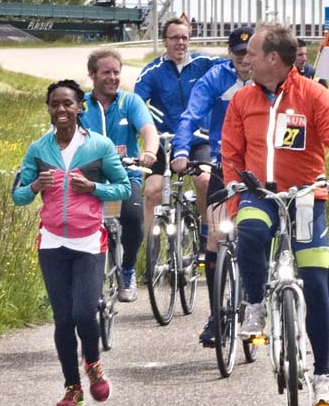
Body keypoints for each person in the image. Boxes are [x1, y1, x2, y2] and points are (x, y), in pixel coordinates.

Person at [221, 24, 329, 406]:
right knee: (249, 230)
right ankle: (253, 305)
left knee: (316, 284)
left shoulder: (313, 95)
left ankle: (323, 375)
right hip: (258, 194)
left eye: (251, 52)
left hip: (304, 198)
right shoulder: (241, 100)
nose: (244, 59)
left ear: (273, 59)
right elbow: (231, 154)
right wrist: (234, 196)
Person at [12, 80, 131, 406]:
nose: (61, 110)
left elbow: (122, 187)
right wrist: (36, 184)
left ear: (81, 108)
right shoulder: (38, 149)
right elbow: (18, 196)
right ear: (49, 109)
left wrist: (93, 187)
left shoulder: (100, 146)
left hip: (89, 242)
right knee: (63, 318)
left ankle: (92, 364)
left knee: (83, 313)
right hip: (52, 242)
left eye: (68, 104)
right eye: (55, 104)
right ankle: (73, 388)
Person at [170, 26, 254, 348]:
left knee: (261, 233)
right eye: (238, 54)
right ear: (230, 54)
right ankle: (217, 315)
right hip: (225, 163)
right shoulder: (216, 79)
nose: (245, 60)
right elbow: (190, 116)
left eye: (250, 53)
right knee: (217, 235)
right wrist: (180, 151)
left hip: (260, 166)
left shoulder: (270, 79)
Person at [134, 17, 224, 251]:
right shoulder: (152, 72)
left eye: (184, 38)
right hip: (165, 142)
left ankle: (206, 237)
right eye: (174, 38)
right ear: (165, 41)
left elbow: (235, 66)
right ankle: (150, 252)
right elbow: (137, 103)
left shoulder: (205, 63)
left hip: (198, 139)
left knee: (204, 180)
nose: (180, 43)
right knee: (153, 190)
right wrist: (148, 127)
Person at [81, 48, 159, 303]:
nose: (113, 77)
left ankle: (127, 269)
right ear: (92, 74)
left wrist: (149, 151)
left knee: (134, 216)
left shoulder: (129, 102)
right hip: (89, 181)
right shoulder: (80, 104)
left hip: (125, 177)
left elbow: (148, 129)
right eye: (106, 72)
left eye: (116, 72)